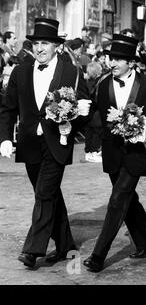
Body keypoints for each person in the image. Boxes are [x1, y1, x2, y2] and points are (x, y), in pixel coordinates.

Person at [0, 17, 92, 268]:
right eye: (36, 43)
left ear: (56, 46)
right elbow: (7, 109)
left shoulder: (71, 72)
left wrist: (73, 122)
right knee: (49, 195)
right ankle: (66, 246)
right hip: (29, 143)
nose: (40, 48)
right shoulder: (20, 70)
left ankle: (32, 250)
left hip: (57, 143)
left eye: (45, 43)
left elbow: (84, 109)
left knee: (44, 193)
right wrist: (5, 137)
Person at [83, 34, 146, 272]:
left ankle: (98, 255)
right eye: (111, 58)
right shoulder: (102, 84)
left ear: (131, 62)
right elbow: (95, 113)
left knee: (117, 200)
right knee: (128, 199)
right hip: (112, 151)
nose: (113, 63)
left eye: (119, 59)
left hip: (137, 153)